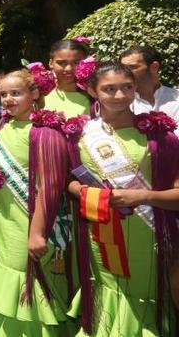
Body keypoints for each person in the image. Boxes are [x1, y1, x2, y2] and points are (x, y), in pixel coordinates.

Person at [66, 62, 179, 336]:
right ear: (92, 91)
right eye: (109, 89)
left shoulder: (160, 136)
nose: (120, 96)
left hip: (150, 233)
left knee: (147, 291)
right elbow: (68, 182)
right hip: (103, 233)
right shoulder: (80, 136)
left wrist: (142, 195)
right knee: (110, 290)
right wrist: (85, 192)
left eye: (127, 87)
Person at [0, 68, 73, 335]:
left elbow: (50, 187)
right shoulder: (5, 124)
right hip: (5, 222)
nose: (7, 99)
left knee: (25, 277)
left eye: (15, 93)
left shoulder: (45, 133)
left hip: (29, 223)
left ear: (35, 93)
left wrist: (37, 233)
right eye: (3, 94)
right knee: (9, 273)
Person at [120, 46, 179, 122]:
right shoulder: (122, 103)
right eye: (123, 68)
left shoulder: (177, 98)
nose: (125, 72)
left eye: (132, 67)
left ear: (154, 67)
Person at [44, 39, 91, 118]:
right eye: (61, 63)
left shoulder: (94, 97)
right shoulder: (39, 97)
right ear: (51, 63)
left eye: (76, 63)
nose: (68, 69)